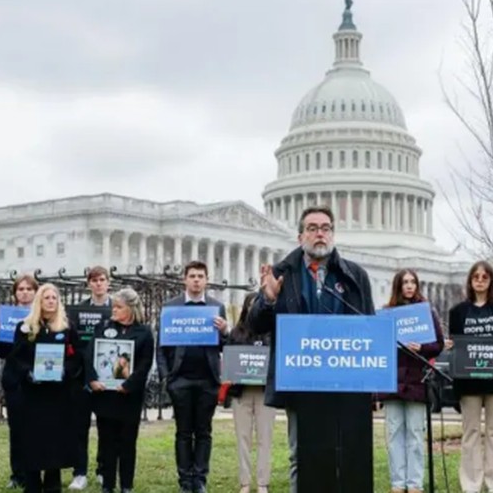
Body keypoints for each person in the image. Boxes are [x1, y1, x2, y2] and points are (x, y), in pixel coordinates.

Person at [251, 205, 376, 493]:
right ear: (300, 237)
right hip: (301, 383)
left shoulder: (355, 276)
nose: (319, 233)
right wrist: (268, 299)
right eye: (312, 228)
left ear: (332, 234)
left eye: (325, 228)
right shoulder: (281, 274)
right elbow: (256, 324)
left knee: (347, 456)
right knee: (302, 456)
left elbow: (369, 329)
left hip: (346, 383)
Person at [157, 261, 229, 493]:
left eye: (200, 276)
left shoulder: (217, 308)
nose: (196, 280)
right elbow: (161, 347)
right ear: (184, 279)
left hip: (208, 379)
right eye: (192, 276)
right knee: (183, 432)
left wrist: (225, 331)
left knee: (204, 432)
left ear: (206, 280)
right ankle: (185, 480)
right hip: (180, 379)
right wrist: (167, 377)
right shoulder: (171, 306)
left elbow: (224, 346)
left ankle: (200, 479)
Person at [5, 283, 84, 493]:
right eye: (46, 297)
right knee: (32, 442)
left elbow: (77, 357)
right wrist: (28, 373)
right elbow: (16, 358)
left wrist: (65, 371)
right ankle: (31, 484)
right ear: (39, 301)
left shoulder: (67, 327)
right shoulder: (25, 327)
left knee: (54, 443)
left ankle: (52, 485)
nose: (51, 301)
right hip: (32, 396)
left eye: (54, 298)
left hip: (58, 396)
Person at [448, 262, 493, 493]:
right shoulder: (458, 312)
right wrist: (450, 346)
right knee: (471, 433)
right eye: (476, 276)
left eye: (485, 276)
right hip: (468, 382)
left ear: (491, 281)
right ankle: (472, 484)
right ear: (470, 280)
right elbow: (455, 346)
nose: (480, 280)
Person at [379, 269, 444, 493]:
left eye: (412, 282)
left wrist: (422, 348)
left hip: (417, 380)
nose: (409, 286)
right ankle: (398, 484)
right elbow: (378, 346)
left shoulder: (427, 313)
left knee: (416, 434)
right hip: (393, 381)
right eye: (405, 282)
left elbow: (439, 345)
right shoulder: (387, 314)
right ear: (398, 286)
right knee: (395, 432)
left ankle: (414, 483)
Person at [87, 288, 154, 493]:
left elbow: (144, 365)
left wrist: (128, 385)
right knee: (106, 442)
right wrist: (92, 379)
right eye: (113, 306)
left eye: (118, 307)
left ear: (130, 308)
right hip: (105, 396)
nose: (113, 310)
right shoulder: (103, 327)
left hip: (129, 398)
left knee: (127, 442)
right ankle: (107, 485)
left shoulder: (144, 332)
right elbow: (89, 355)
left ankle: (126, 485)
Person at [226, 292, 275, 493]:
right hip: (241, 392)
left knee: (265, 438)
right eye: (252, 305)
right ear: (247, 308)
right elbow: (229, 358)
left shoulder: (272, 333)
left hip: (265, 392)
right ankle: (245, 483)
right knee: (243, 438)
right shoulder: (236, 333)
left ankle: (263, 483)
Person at [0, 274, 38, 489]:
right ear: (15, 293)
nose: (25, 292)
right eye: (20, 289)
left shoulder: (43, 317)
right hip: (15, 380)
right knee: (17, 429)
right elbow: (2, 353)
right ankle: (17, 473)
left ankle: (35, 471)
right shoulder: (7, 318)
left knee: (37, 428)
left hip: (39, 380)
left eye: (29, 289)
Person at [70, 266, 112, 490]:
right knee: (79, 426)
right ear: (89, 284)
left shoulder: (116, 308)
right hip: (81, 377)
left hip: (107, 377)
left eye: (102, 280)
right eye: (94, 280)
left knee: (106, 427)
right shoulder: (78, 311)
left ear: (108, 283)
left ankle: (103, 470)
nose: (98, 284)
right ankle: (79, 472)